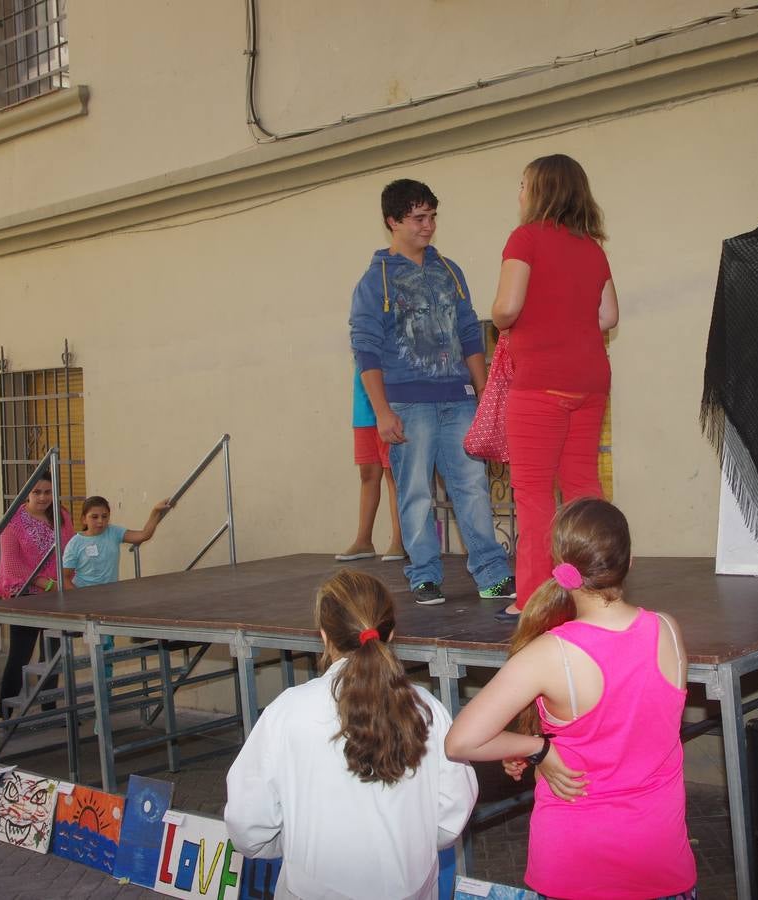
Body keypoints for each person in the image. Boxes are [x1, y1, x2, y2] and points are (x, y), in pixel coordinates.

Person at [445, 498, 696, 899]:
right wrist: (537, 748)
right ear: (628, 563)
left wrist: (538, 748)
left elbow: (461, 741)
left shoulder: (551, 654)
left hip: (574, 867)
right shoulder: (668, 630)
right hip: (660, 860)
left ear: (560, 568)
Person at [224, 569, 478, 899]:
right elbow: (451, 814)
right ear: (390, 634)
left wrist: (289, 844)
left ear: (324, 637)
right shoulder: (428, 711)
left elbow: (247, 823)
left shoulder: (286, 713)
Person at [349, 178, 514, 607]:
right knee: (415, 491)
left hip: (458, 398)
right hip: (407, 403)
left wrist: (483, 395)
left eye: (432, 216)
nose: (428, 226)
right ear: (392, 221)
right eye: (418, 218)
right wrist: (382, 411)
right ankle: (424, 574)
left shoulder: (449, 272)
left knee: (472, 487)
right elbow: (365, 350)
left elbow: (469, 335)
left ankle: (492, 574)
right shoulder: (375, 281)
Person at [490, 155, 619, 622]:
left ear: (541, 191)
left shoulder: (525, 238)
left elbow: (506, 307)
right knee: (584, 485)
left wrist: (510, 317)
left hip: (540, 382)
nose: (519, 193)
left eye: (523, 184)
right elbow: (608, 317)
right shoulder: (592, 248)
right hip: (588, 379)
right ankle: (600, 584)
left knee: (533, 493)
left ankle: (532, 598)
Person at [0, 473, 73, 717]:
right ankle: (4, 715)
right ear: (26, 493)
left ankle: (49, 708)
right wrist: (46, 583)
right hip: (26, 595)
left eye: (48, 492)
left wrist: (64, 582)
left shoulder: (61, 515)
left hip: (58, 593)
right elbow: (11, 563)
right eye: (37, 492)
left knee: (52, 654)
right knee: (20, 655)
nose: (42, 497)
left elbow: (70, 550)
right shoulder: (13, 521)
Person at [336, 366, 406, 563]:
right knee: (367, 474)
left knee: (392, 473)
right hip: (363, 409)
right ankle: (363, 540)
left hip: (389, 407)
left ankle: (399, 541)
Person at [60, 495, 172, 590]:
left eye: (104, 516)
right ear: (84, 519)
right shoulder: (75, 543)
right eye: (94, 517)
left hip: (111, 594)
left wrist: (155, 511)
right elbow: (65, 578)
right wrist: (79, 599)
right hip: (84, 595)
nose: (100, 521)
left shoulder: (114, 532)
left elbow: (144, 535)